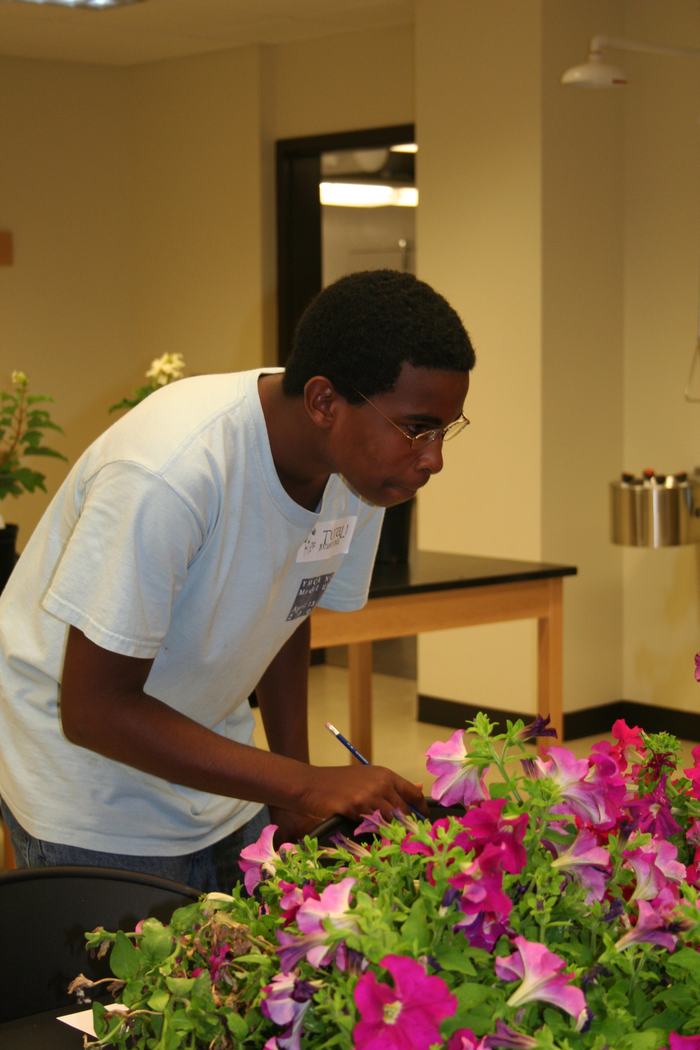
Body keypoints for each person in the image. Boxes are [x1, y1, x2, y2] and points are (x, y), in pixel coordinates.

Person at [0, 269, 476, 892]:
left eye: (444, 430)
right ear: (324, 402)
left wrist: (292, 787)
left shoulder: (360, 472)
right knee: (127, 986)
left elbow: (287, 611)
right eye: (418, 428)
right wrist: (304, 782)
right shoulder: (169, 473)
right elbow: (94, 710)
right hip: (90, 783)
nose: (434, 457)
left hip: (209, 758)